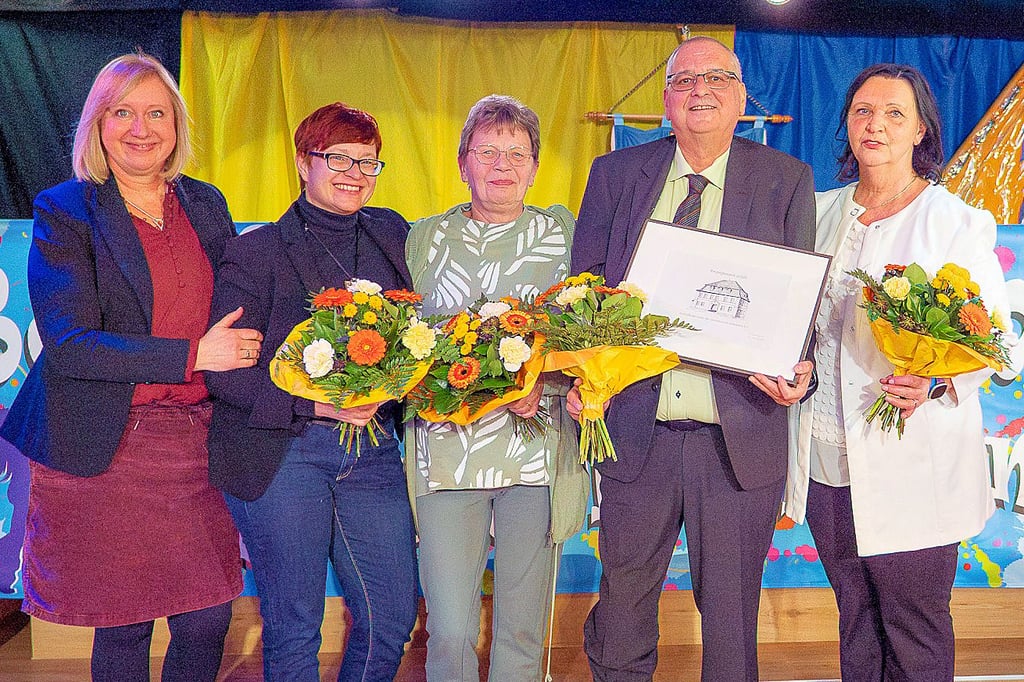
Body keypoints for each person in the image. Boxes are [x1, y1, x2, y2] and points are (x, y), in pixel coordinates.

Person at [0, 52, 260, 681]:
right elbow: (70, 342)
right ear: (98, 124)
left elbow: (240, 299)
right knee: (125, 622)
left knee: (206, 618)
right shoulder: (67, 208)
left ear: (177, 127)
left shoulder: (204, 202)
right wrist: (194, 354)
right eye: (122, 112)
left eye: (156, 113)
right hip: (107, 446)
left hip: (195, 442)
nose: (140, 128)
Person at [567, 37, 816, 681]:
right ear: (665, 98)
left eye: (717, 78)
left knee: (732, 623)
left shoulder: (784, 179)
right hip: (634, 430)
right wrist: (581, 374)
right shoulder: (615, 176)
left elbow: (800, 305)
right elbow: (583, 292)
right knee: (621, 608)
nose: (699, 89)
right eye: (684, 79)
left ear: (741, 97)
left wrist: (800, 368)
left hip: (738, 437)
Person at [783, 63, 1018, 681]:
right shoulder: (816, 211)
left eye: (894, 113)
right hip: (828, 456)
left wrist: (940, 380)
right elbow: (793, 318)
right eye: (862, 111)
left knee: (914, 625)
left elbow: (998, 342)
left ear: (921, 131)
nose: (875, 124)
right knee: (855, 615)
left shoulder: (955, 222)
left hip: (916, 458)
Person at [206, 102, 418, 681]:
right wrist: (317, 403)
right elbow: (225, 374)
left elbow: (421, 333)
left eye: (369, 163)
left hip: (371, 451)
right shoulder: (255, 253)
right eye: (338, 158)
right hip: (283, 449)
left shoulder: (392, 236)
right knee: (295, 622)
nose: (355, 173)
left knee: (392, 615)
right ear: (304, 163)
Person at [405, 94, 587, 681]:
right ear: (463, 164)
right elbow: (402, 341)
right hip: (446, 452)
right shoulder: (422, 240)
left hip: (533, 452)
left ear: (535, 167)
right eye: (487, 151)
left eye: (516, 152)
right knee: (451, 628)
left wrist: (548, 380)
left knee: (521, 627)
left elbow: (593, 341)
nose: (502, 164)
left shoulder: (566, 236)